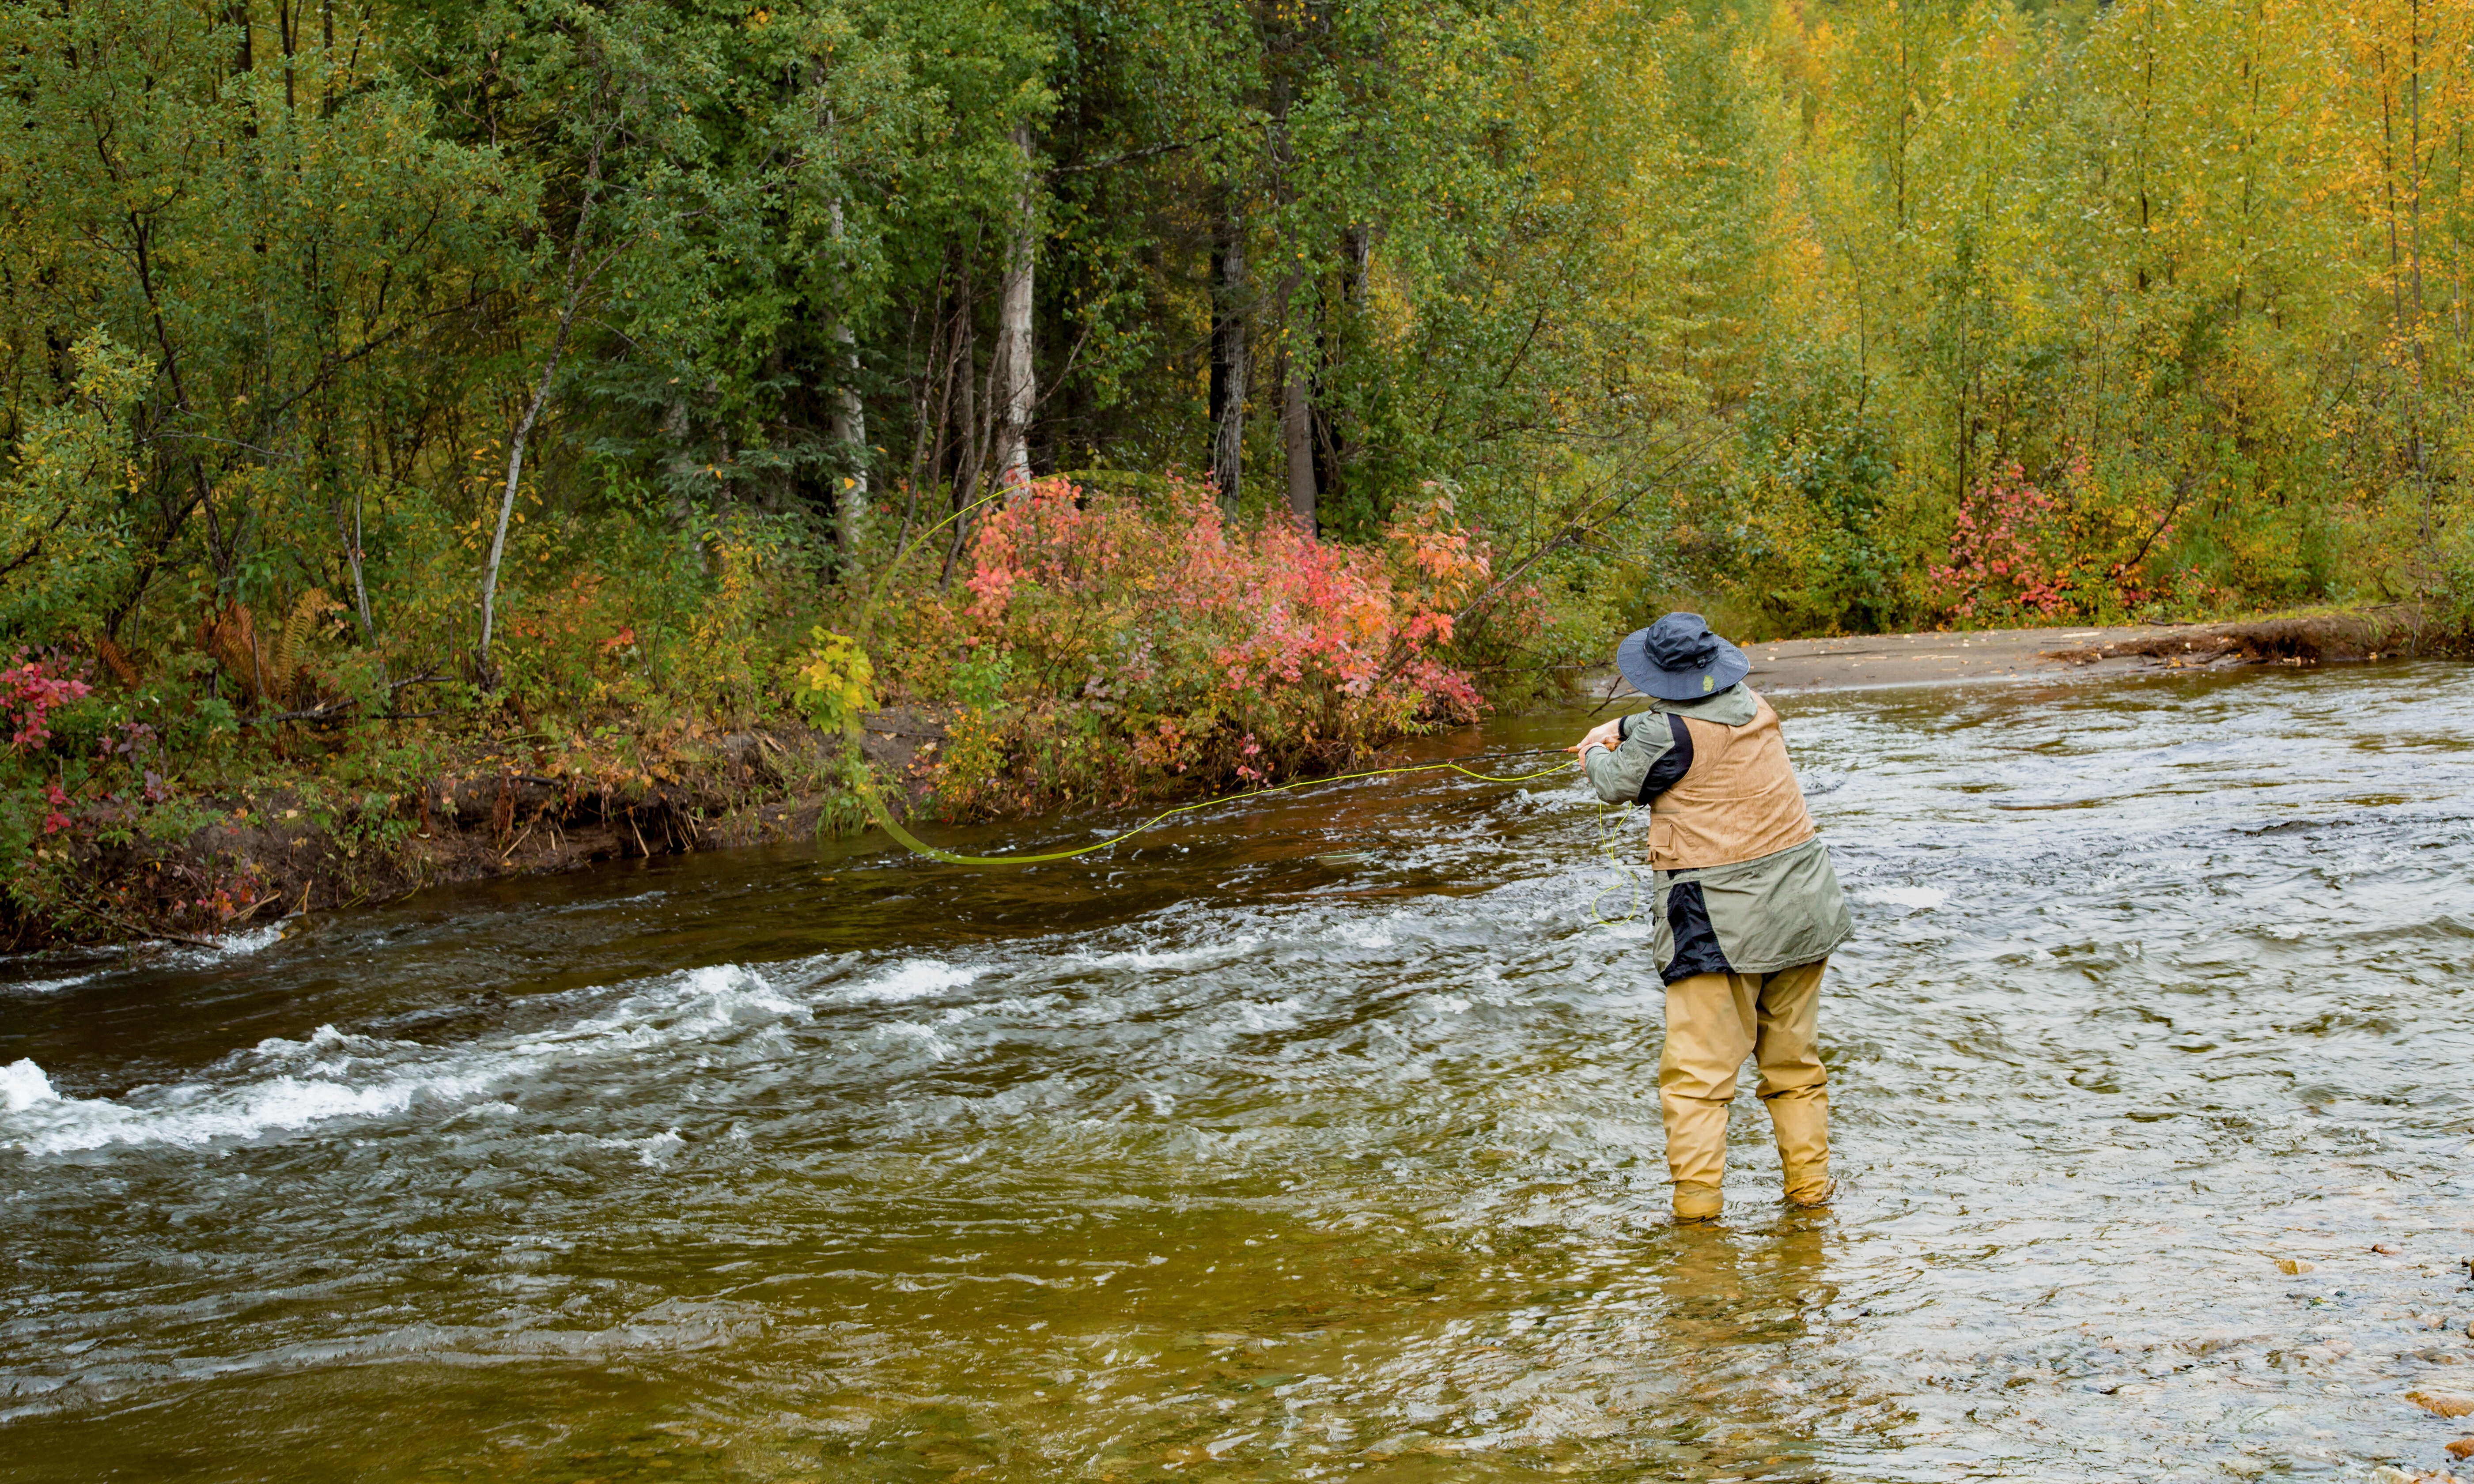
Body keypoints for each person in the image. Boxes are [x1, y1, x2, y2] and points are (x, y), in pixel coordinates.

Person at [1571, 612, 1852, 1223]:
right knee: (1794, 1066)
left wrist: (1595, 746)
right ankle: (1809, 1200)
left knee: (1696, 1078)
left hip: (1719, 920)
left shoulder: (1663, 735)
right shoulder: (1753, 703)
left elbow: (1615, 784)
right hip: (1804, 905)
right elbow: (1676, 726)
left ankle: (1696, 1226)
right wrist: (1621, 723)